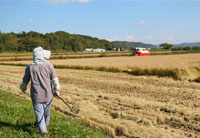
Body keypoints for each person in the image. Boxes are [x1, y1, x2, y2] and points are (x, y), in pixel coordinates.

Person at [19, 47, 60, 136]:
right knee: (47, 114)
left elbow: (25, 81)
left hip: (36, 96)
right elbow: (55, 79)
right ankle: (45, 127)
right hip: (48, 96)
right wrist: (57, 90)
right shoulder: (49, 66)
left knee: (39, 114)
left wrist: (22, 88)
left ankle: (43, 131)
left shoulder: (30, 67)